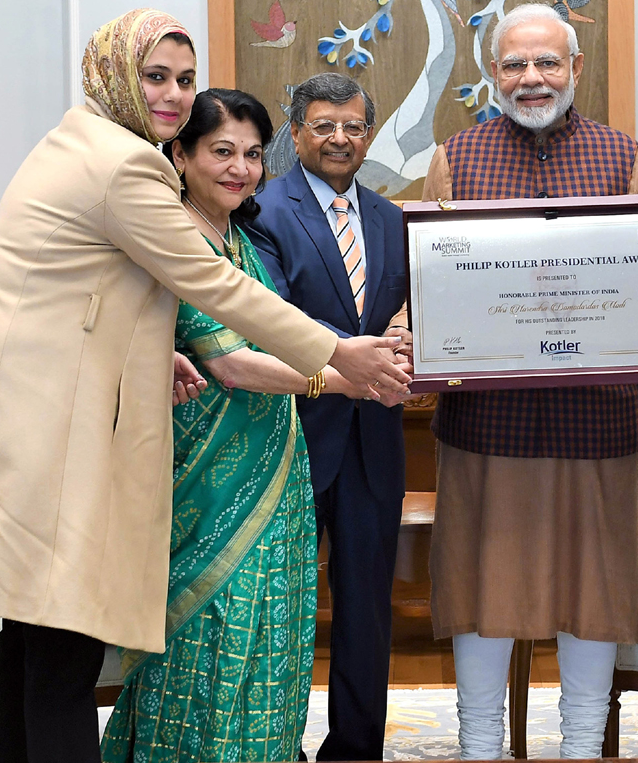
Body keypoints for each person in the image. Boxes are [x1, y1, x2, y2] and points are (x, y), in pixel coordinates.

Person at [0, 9, 408, 763]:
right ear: (114, 73)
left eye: (184, 78)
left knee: (29, 637)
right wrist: (341, 355)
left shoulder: (73, 138)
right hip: (53, 436)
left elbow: (81, 289)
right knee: (66, 648)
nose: (174, 94)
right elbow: (212, 285)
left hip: (14, 422)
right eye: (155, 77)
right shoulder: (128, 164)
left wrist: (153, 354)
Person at [99, 87, 389, 761]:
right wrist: (346, 376)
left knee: (274, 631)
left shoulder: (237, 237)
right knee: (213, 628)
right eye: (222, 151)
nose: (241, 169)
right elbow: (231, 363)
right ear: (180, 155)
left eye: (254, 155)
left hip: (275, 469)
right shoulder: (177, 240)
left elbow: (276, 336)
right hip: (206, 480)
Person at [421, 2, 638, 759]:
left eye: (547, 62)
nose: (532, 78)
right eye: (515, 64)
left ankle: (582, 746)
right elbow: (428, 282)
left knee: (595, 588)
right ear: (493, 73)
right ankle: (479, 746)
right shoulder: (454, 159)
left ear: (575, 68)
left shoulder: (624, 158)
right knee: (480, 584)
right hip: (485, 421)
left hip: (596, 419)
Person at [245, 73, 411, 761]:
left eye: (353, 126)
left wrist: (408, 333)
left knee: (368, 609)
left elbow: (402, 312)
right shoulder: (261, 211)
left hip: (376, 441)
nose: (340, 138)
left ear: (368, 135)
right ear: (296, 132)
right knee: (281, 610)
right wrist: (361, 366)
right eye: (324, 125)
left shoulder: (392, 218)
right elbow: (273, 317)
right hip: (293, 434)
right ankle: (274, 745)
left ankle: (355, 749)